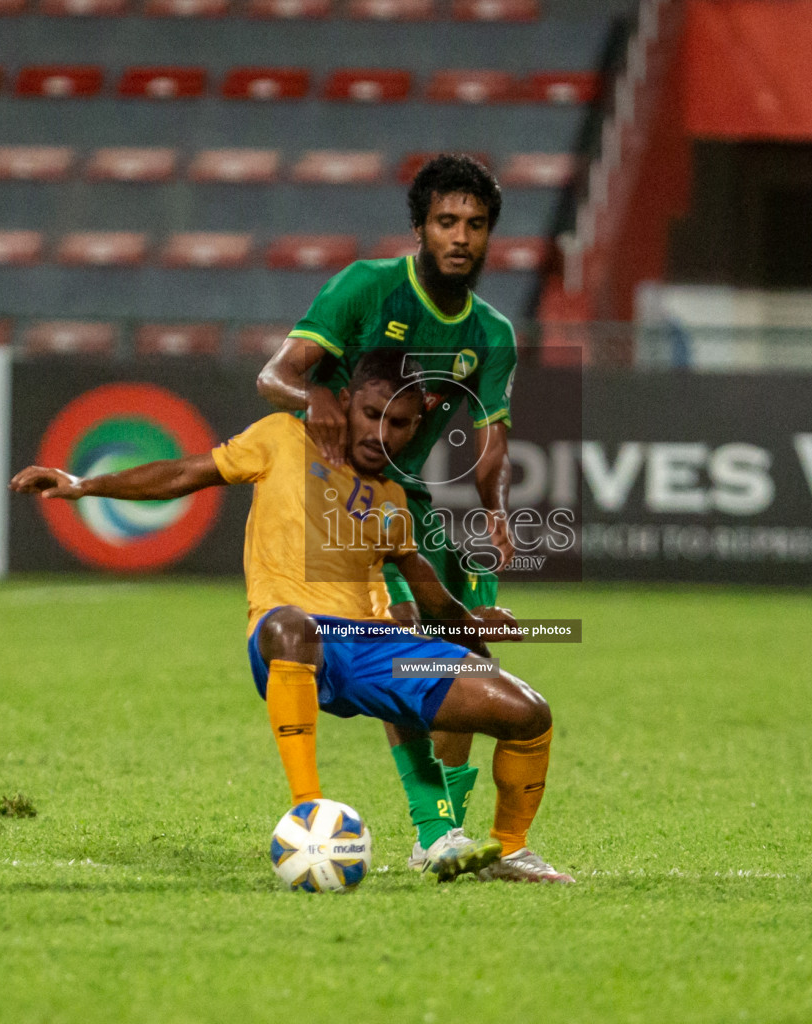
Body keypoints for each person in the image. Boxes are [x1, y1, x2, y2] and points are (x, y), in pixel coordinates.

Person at [10, 350, 573, 884]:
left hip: (374, 649)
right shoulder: (281, 438)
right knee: (291, 624)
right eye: (372, 414)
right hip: (293, 642)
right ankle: (309, 815)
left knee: (526, 710)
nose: (383, 434)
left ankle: (506, 847)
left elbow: (432, 599)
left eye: (399, 423)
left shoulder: (391, 500)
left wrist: (477, 629)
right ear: (346, 403)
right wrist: (85, 484)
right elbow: (185, 474)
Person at [256, 154, 519, 869]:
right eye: (446, 221)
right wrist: (313, 397)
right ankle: (433, 831)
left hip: (409, 502)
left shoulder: (491, 333)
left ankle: (446, 833)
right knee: (405, 642)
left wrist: (494, 511)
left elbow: (492, 442)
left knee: (468, 652)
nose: (460, 236)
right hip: (336, 499)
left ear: (490, 234)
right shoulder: (367, 288)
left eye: (475, 223)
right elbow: (275, 372)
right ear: (419, 227)